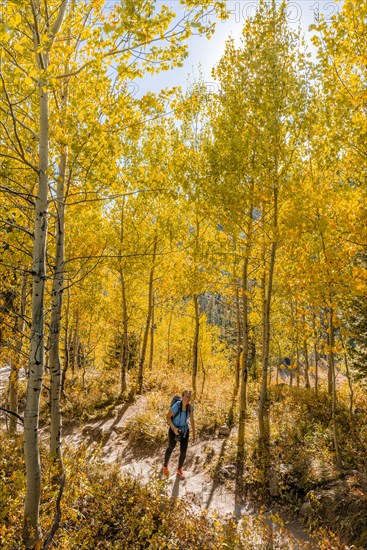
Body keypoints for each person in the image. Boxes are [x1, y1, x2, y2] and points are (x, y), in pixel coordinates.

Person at [163, 390, 195, 480]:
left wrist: (194, 434)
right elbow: (168, 417)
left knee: (183, 452)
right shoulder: (176, 406)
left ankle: (179, 469)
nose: (188, 399)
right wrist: (174, 428)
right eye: (186, 396)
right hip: (174, 429)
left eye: (189, 397)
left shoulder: (190, 407)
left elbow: (192, 420)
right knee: (171, 447)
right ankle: (165, 466)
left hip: (184, 430)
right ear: (182, 397)